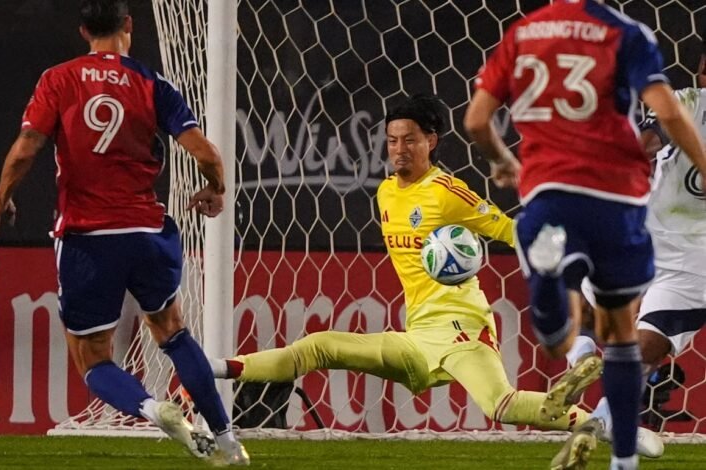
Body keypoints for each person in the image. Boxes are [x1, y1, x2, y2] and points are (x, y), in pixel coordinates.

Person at [210, 93, 630, 439]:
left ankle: (603, 424)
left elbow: (508, 230)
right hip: (418, 335)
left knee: (500, 405)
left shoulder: (447, 192)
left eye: (409, 140)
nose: (399, 150)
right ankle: (215, 367)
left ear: (431, 141)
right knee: (318, 347)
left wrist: (568, 248)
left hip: (462, 327)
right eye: (392, 140)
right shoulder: (386, 193)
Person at [0, 0, 248, 465]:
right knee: (172, 331)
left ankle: (152, 409)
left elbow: (27, 148)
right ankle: (227, 441)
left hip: (87, 238)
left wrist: (1, 197)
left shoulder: (58, 79)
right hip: (147, 232)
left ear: (84, 31)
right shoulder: (152, 83)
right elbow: (205, 152)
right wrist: (216, 188)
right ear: (128, 24)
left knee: (92, 357)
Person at [463, 1, 706, 469]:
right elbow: (662, 119)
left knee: (571, 328)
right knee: (633, 342)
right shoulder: (628, 35)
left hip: (563, 198)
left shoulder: (523, 34)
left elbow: (476, 121)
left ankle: (577, 352)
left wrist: (500, 160)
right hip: (640, 223)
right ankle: (616, 449)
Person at [551, 28, 706, 467]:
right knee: (645, 348)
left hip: (655, 240)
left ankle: (589, 379)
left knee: (587, 288)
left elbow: (647, 140)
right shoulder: (688, 102)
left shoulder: (685, 100)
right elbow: (651, 137)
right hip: (685, 257)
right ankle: (603, 408)